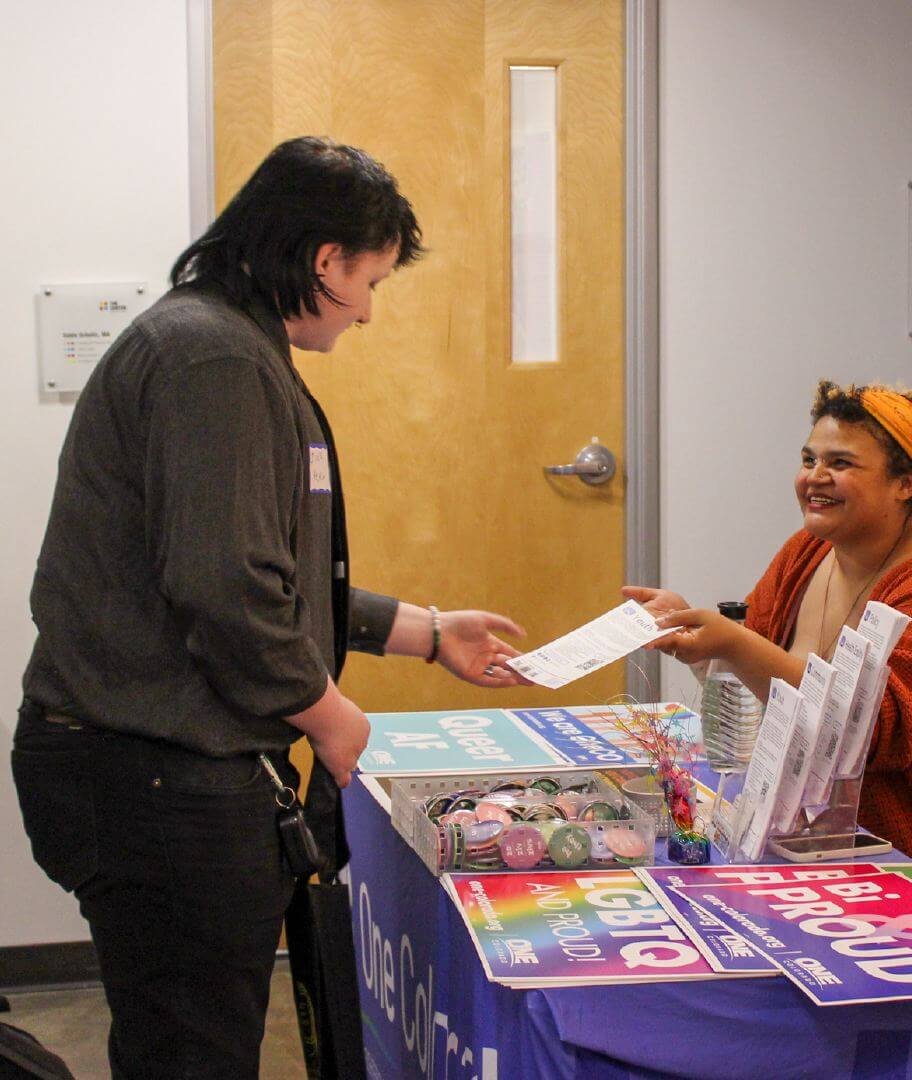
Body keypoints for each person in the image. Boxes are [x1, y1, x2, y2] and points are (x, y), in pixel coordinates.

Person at [12, 136, 527, 1078]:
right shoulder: (213, 360)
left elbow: (265, 572)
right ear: (325, 261)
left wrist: (425, 632)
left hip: (143, 770)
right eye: (370, 281)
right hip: (150, 778)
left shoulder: (218, 344)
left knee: (186, 1037)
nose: (369, 311)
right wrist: (332, 718)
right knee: (191, 1053)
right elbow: (227, 590)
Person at [626, 380, 912, 901]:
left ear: (906, 484)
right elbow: (759, 682)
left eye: (842, 464)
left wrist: (732, 644)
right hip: (823, 849)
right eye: (809, 459)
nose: (815, 478)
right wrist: (700, 640)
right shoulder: (807, 550)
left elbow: (871, 737)